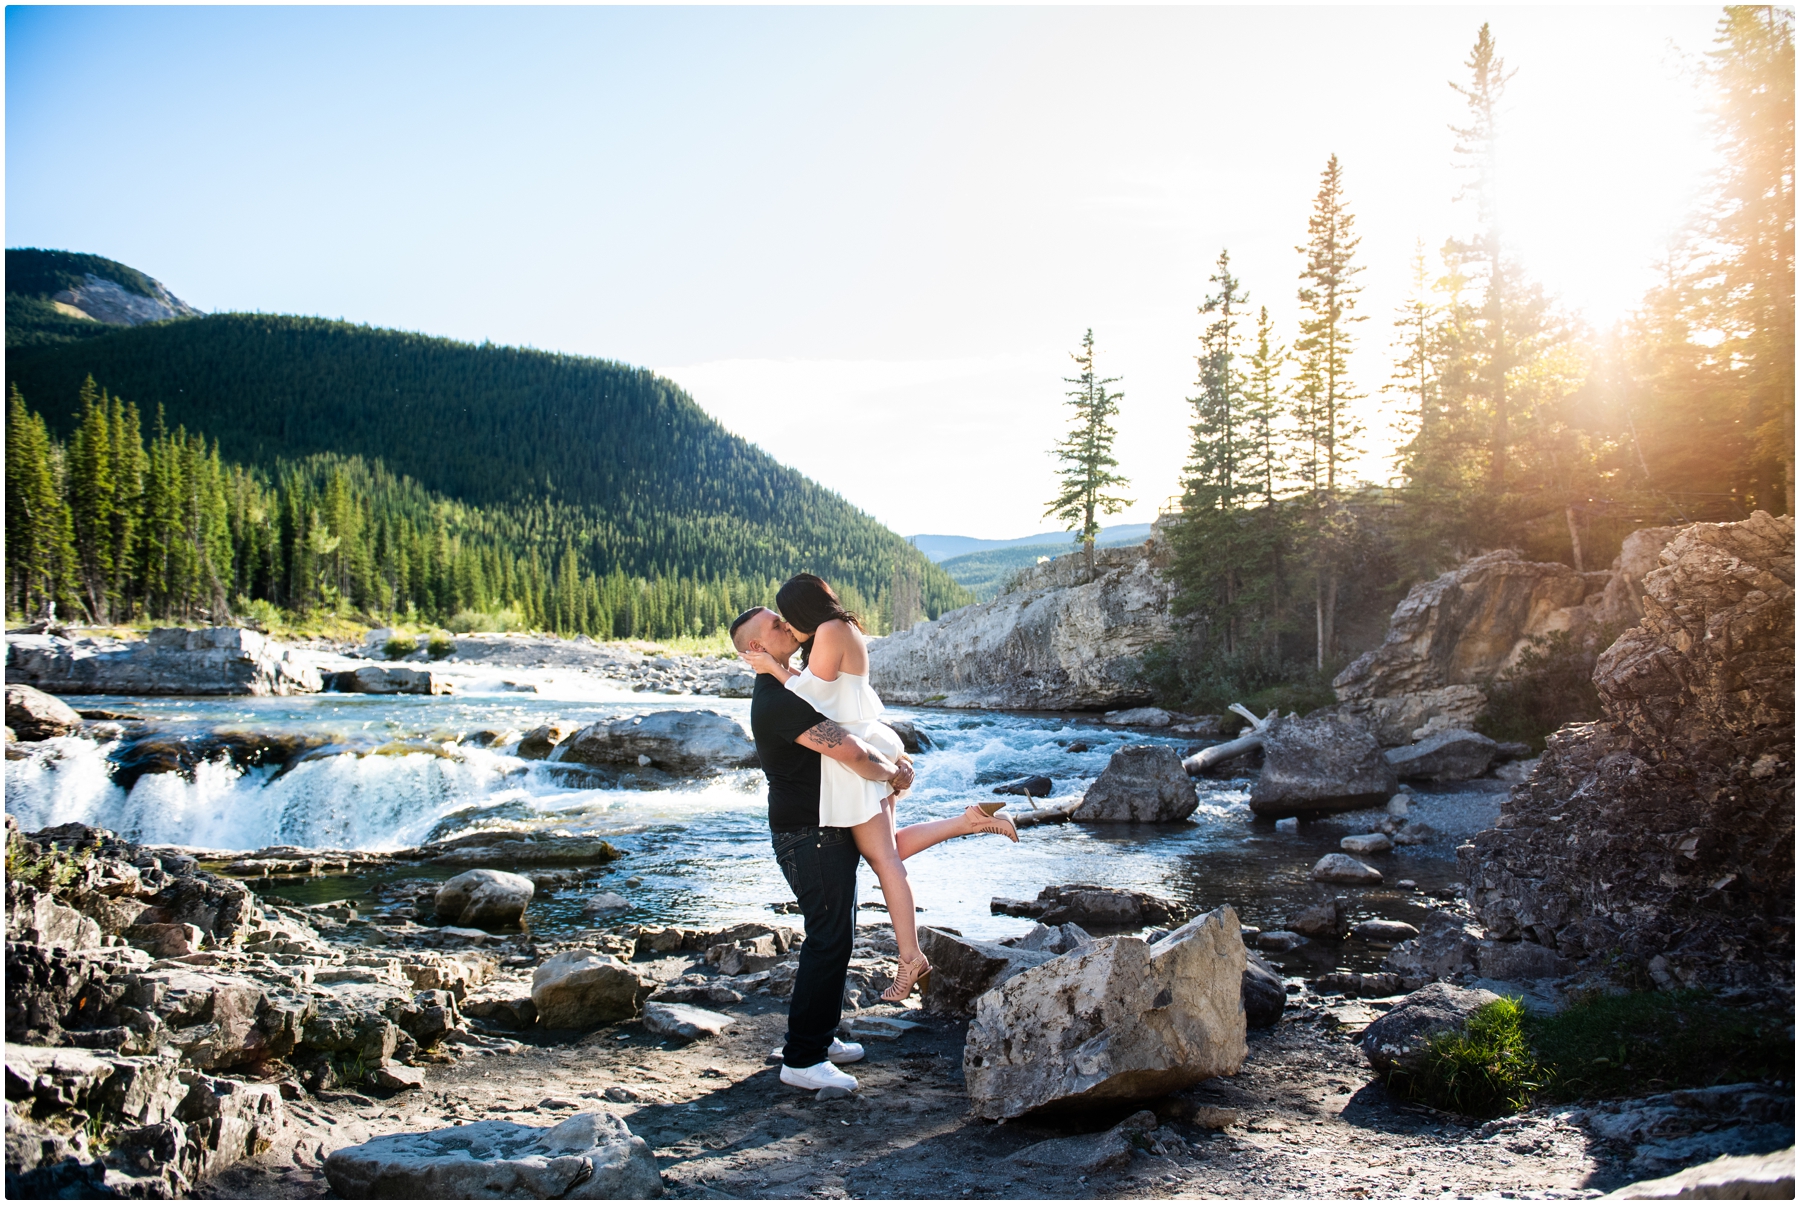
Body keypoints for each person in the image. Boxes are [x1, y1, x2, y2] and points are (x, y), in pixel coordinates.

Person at [738, 575, 1017, 1004]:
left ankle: (911, 958)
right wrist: (781, 670)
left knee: (886, 860)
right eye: (778, 625)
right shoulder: (835, 630)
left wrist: (776, 669)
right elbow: (820, 692)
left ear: (802, 608)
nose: (787, 627)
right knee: (889, 851)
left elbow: (813, 701)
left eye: (785, 619)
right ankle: (971, 821)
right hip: (864, 745)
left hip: (858, 753)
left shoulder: (830, 631)